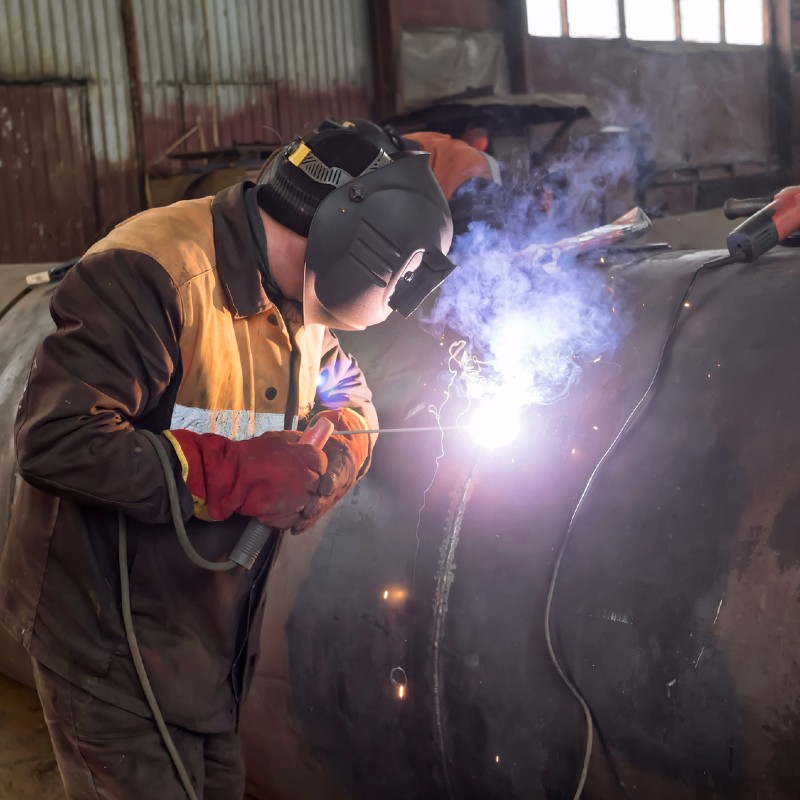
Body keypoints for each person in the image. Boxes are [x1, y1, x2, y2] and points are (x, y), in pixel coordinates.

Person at [0, 127, 454, 799]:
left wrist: (335, 456)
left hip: (211, 636)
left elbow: (349, 396)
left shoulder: (306, 297)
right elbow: (56, 440)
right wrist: (235, 472)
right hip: (106, 634)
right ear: (359, 245)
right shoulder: (151, 272)